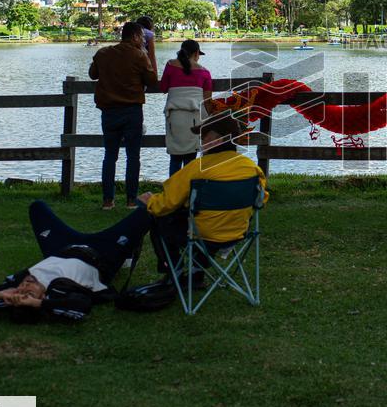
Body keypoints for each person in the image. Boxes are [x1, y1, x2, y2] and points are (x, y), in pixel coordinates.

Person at [0, 201, 151, 322]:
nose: (25, 285)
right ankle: (128, 253)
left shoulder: (13, 287)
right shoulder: (59, 292)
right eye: (28, 293)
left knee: (37, 207)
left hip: (60, 248)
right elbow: (81, 306)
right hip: (101, 253)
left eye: (21, 290)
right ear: (42, 297)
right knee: (149, 212)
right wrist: (38, 304)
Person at [138, 113, 268, 273]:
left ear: (218, 140)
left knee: (159, 218)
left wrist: (149, 201)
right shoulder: (252, 169)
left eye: (203, 138)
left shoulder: (197, 168)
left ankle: (174, 272)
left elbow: (166, 203)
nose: (200, 143)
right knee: (207, 216)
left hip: (202, 234)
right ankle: (196, 271)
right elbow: (260, 200)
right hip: (237, 232)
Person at [89, 21, 158, 210]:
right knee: (133, 156)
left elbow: (92, 74)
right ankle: (130, 200)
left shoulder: (103, 53)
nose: (143, 40)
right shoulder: (139, 55)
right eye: (142, 37)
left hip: (109, 111)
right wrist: (150, 51)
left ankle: (107, 200)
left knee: (110, 156)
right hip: (131, 110)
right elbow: (152, 80)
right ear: (135, 36)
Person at [160, 39, 214, 175]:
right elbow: (207, 102)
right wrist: (212, 119)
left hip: (174, 117)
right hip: (194, 120)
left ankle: (173, 191)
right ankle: (189, 191)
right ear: (196, 53)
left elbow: (163, 88)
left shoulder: (170, 65)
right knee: (190, 159)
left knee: (175, 158)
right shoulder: (205, 72)